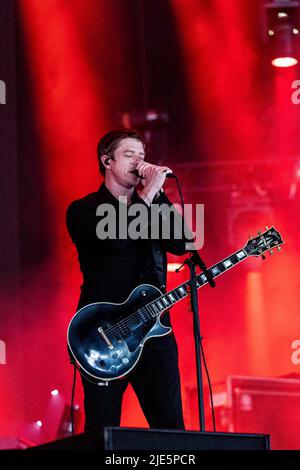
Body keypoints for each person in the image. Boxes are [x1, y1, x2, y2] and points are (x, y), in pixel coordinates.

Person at [66, 128, 191, 432]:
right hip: (103, 336)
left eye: (142, 155)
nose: (139, 161)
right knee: (103, 429)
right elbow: (115, 240)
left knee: (171, 429)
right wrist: (146, 197)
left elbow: (182, 242)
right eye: (129, 154)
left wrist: (158, 195)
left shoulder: (150, 204)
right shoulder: (84, 210)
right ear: (106, 161)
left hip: (153, 333)